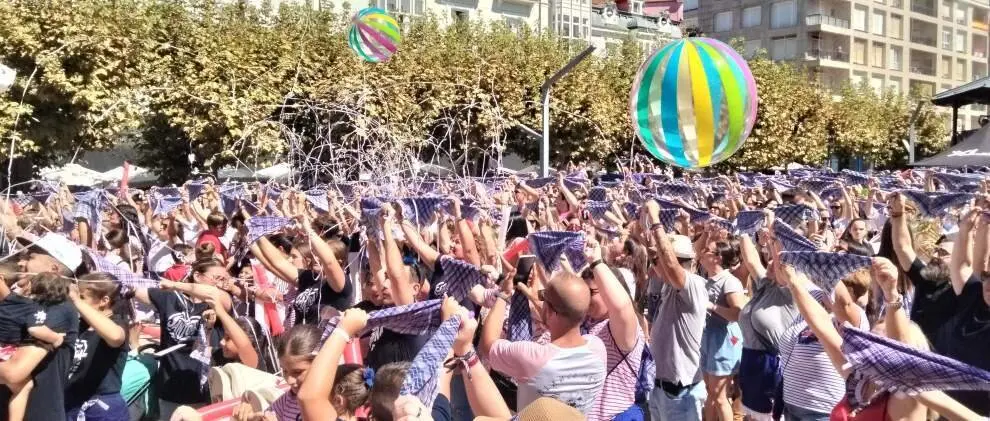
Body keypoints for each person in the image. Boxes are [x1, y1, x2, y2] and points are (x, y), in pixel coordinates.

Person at [479, 268, 607, 414]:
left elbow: (487, 346)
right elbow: (562, 315)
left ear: (549, 310)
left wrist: (503, 295)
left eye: (543, 298)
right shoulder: (598, 348)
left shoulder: (533, 357)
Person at [0, 232, 83, 421]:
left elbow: (14, 372)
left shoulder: (58, 309)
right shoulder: (20, 303)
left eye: (30, 257)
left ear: (53, 269)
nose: (21, 263)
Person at [643, 201, 709, 421]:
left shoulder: (694, 285)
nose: (654, 265)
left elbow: (671, 265)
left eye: (658, 260)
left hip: (681, 393)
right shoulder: (669, 287)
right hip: (660, 387)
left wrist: (655, 220)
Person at [65, 272, 133, 421]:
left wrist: (76, 300)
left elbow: (115, 337)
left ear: (104, 300)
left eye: (83, 297)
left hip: (102, 408)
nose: (76, 301)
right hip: (72, 402)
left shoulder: (117, 322)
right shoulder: (79, 324)